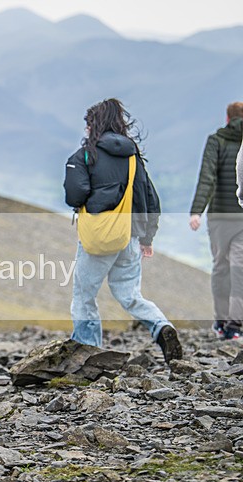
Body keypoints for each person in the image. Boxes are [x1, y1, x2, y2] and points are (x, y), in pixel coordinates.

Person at [64, 98, 183, 363]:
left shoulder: (85, 155)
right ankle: (161, 326)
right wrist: (147, 236)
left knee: (84, 296)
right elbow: (148, 197)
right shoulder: (132, 156)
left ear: (94, 125)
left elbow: (75, 194)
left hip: (97, 238)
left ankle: (88, 351)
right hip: (128, 236)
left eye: (88, 124)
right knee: (130, 295)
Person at [189, 102, 243, 340]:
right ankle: (235, 326)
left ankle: (221, 322)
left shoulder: (216, 140)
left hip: (220, 217)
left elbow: (207, 177)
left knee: (221, 268)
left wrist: (196, 211)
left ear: (227, 118)